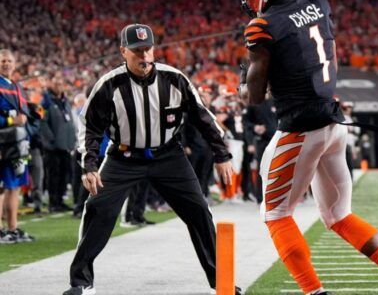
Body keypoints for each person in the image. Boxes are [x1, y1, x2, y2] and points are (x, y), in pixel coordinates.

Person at [237, 0, 378, 295]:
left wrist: (246, 77)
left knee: (276, 214)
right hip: (334, 124)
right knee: (339, 215)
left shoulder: (261, 27)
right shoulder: (317, 2)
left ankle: (314, 291)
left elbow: (253, 97)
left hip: (299, 129)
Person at [63, 24, 239, 295]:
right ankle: (82, 282)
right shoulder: (109, 85)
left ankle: (222, 282)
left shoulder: (175, 79)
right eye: (136, 51)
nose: (144, 56)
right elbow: (90, 127)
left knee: (199, 211)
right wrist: (89, 165)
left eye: (147, 50)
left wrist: (222, 154)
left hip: (168, 155)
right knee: (98, 209)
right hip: (123, 157)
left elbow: (203, 117)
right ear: (123, 51)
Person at [0, 49, 35, 244]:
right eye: (3, 60)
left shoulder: (16, 86)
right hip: (3, 143)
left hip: (18, 144)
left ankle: (12, 228)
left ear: (14, 64)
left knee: (14, 186)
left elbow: (23, 113)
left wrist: (33, 113)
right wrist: (12, 120)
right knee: (1, 187)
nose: (6, 64)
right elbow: (13, 117)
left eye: (9, 61)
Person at [41, 72, 77, 213]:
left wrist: (71, 140)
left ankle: (60, 201)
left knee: (64, 174)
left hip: (65, 146)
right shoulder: (45, 101)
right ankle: (53, 203)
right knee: (53, 176)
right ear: (50, 84)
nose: (59, 86)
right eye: (56, 83)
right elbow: (42, 123)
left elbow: (70, 122)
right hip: (52, 147)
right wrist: (50, 141)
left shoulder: (65, 101)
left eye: (61, 83)